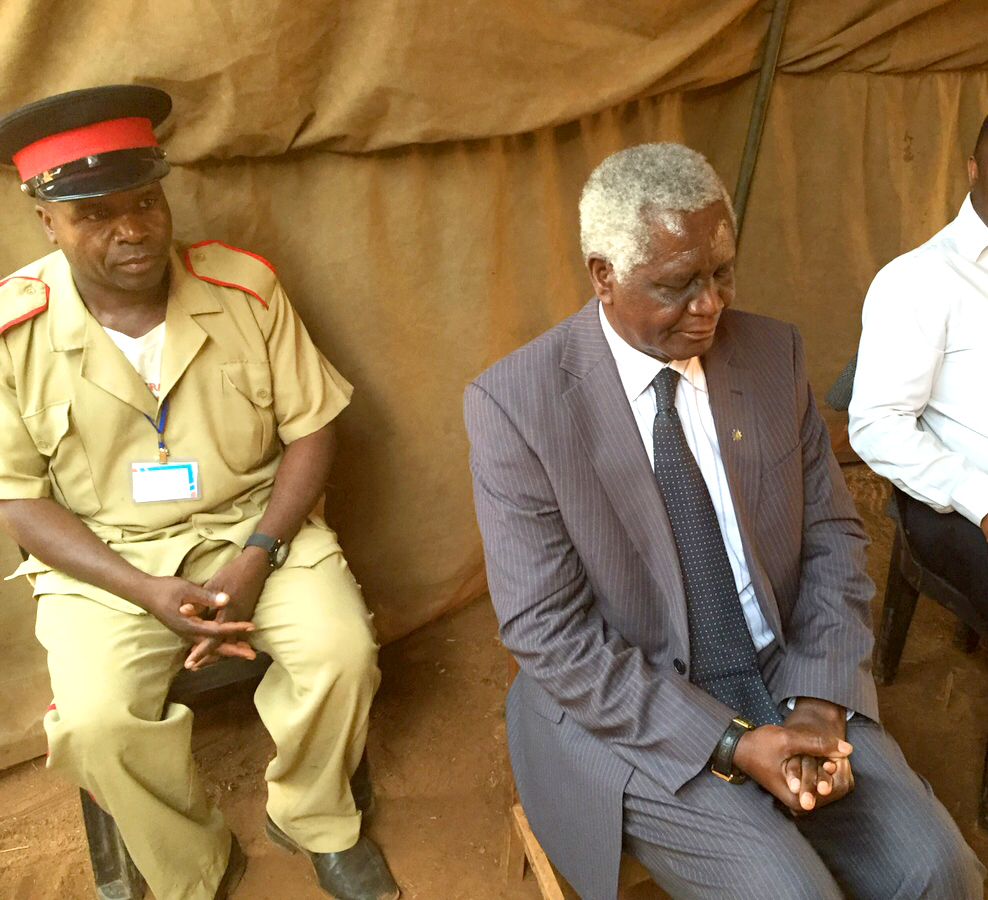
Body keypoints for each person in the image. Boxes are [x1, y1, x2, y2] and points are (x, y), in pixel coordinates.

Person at [464, 142, 983, 900]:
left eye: (721, 273)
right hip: (639, 708)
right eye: (678, 285)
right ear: (603, 275)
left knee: (939, 872)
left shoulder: (772, 354)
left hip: (781, 666)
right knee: (792, 894)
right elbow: (550, 635)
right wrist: (735, 744)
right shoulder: (518, 406)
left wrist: (815, 700)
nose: (710, 305)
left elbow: (835, 540)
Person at [0, 85, 399, 900]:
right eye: (96, 214)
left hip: (257, 530)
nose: (133, 230)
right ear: (47, 219)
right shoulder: (15, 331)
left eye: (144, 202)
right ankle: (191, 865)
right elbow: (17, 499)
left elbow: (313, 429)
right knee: (96, 720)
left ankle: (315, 817)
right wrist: (142, 589)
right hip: (106, 564)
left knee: (341, 653)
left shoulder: (243, 290)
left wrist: (258, 555)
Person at [849, 114, 988, 613]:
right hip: (968, 500)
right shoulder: (920, 279)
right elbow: (877, 424)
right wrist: (980, 498)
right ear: (974, 169)